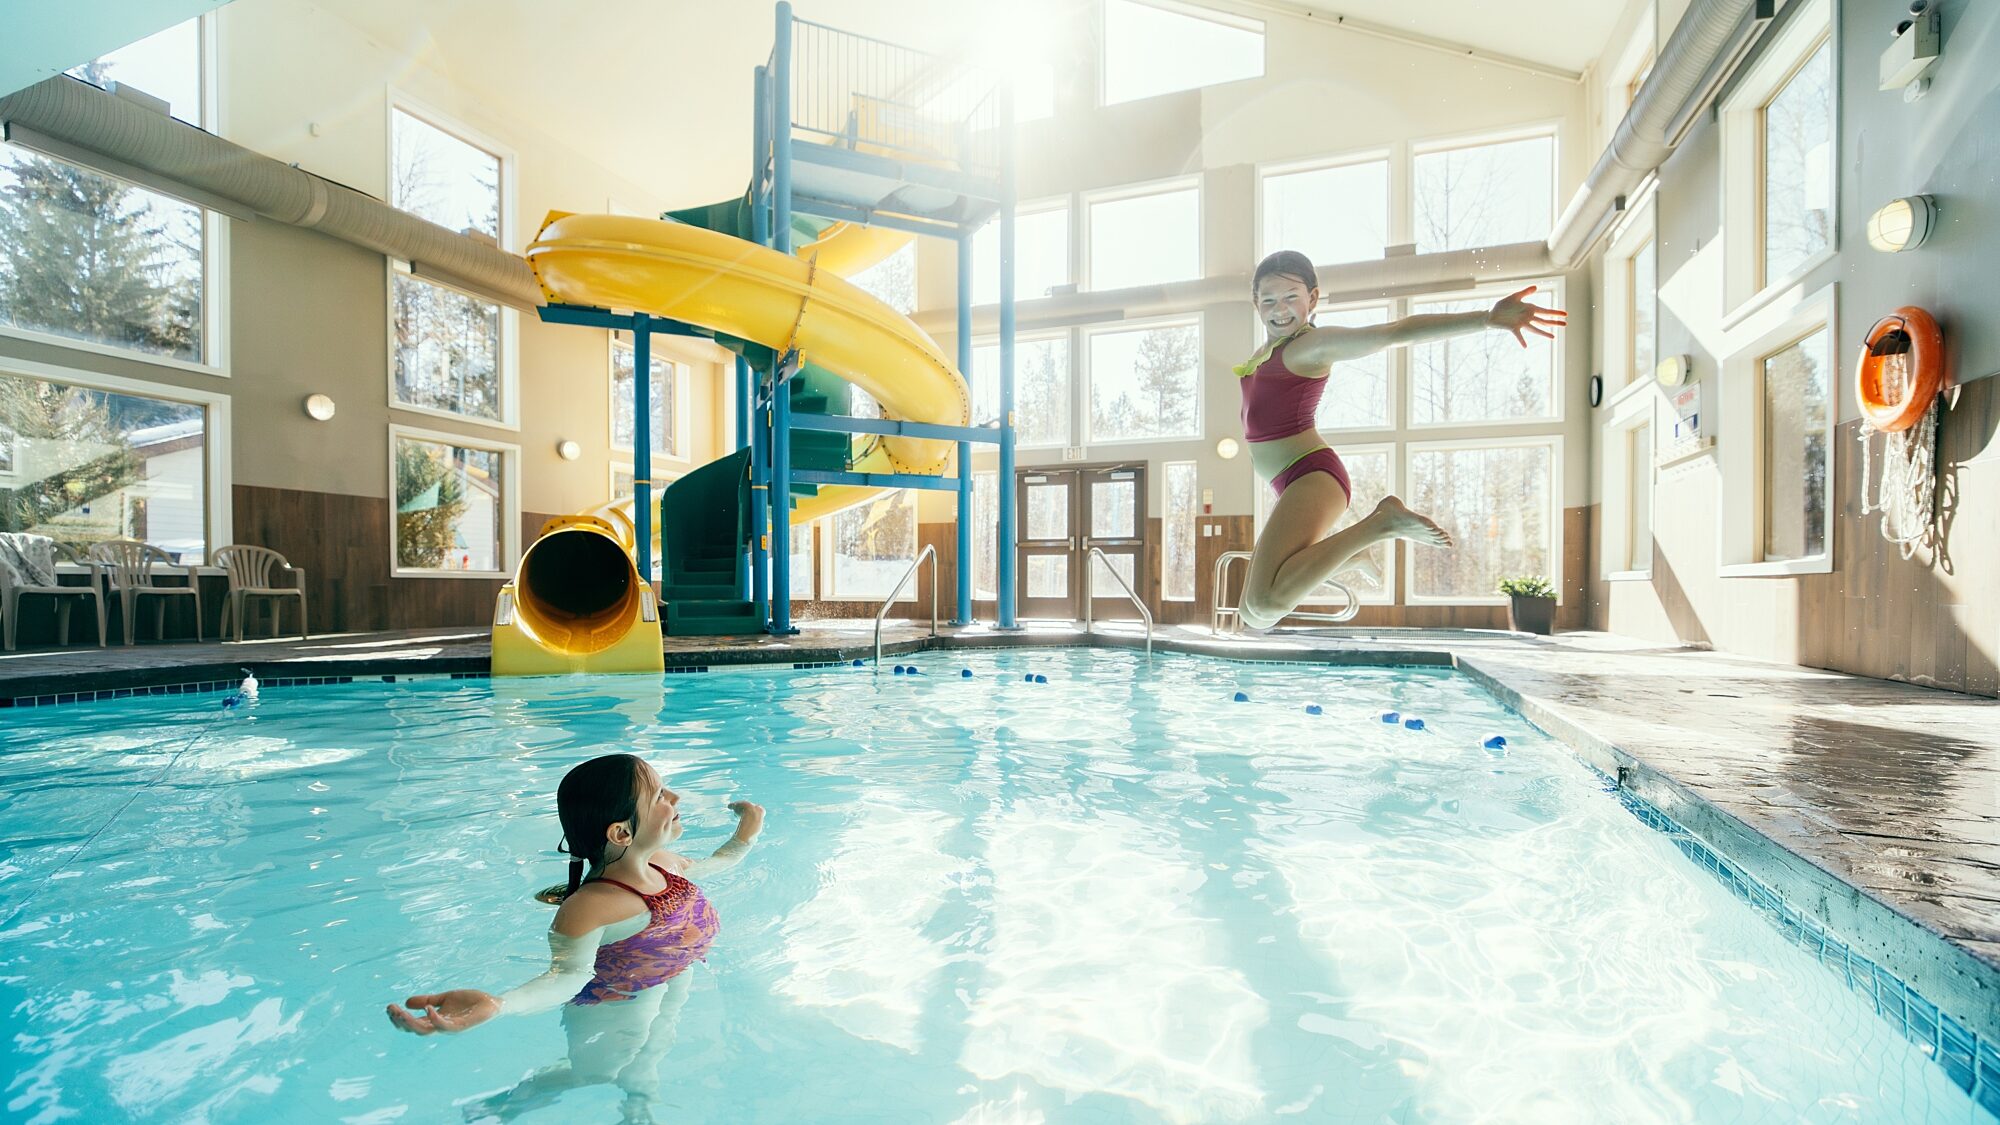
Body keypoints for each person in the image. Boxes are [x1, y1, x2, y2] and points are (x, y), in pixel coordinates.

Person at [386, 754, 765, 1122]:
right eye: (659, 796)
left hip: (673, 974)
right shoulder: (591, 906)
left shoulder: (664, 863)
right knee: (597, 1071)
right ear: (621, 833)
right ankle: (515, 1100)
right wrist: (499, 1004)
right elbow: (566, 977)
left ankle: (638, 1101)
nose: (675, 798)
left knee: (656, 1046)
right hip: (616, 998)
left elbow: (716, 864)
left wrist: (746, 834)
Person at [1232, 250, 1566, 630]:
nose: (1280, 309)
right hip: (1289, 480)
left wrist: (1485, 319)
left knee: (1265, 604)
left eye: (1291, 297)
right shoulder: (1266, 352)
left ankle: (1382, 523)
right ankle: (1351, 557)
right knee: (1252, 613)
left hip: (1309, 475)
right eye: (1269, 300)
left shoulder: (1311, 345)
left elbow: (1393, 332)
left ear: (1313, 298)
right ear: (1255, 302)